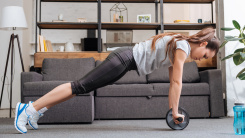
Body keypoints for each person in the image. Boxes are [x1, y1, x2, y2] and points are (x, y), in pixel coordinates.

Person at [14, 27, 220, 134]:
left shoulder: (179, 43)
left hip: (125, 61)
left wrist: (173, 110)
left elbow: (172, 83)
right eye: (205, 55)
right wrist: (175, 112)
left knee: (80, 88)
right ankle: (28, 110)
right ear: (202, 43)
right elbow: (177, 83)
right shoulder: (183, 47)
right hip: (124, 60)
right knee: (79, 86)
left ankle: (35, 110)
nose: (201, 59)